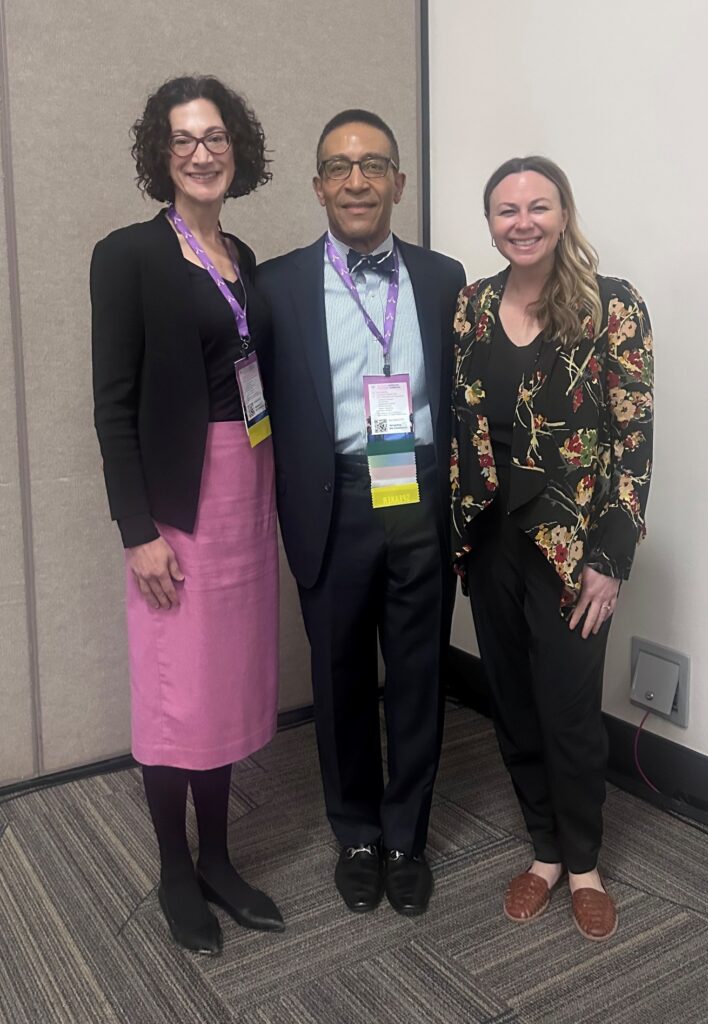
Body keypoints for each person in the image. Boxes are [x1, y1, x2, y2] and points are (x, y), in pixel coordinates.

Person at [91, 76, 284, 954]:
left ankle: (219, 860)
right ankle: (176, 868)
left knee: (225, 684)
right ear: (159, 154)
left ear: (236, 147)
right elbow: (113, 405)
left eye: (215, 137)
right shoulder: (128, 255)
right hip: (177, 502)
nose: (202, 154)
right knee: (177, 692)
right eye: (183, 140)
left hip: (247, 487)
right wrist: (137, 532)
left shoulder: (241, 253)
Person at [256, 110, 466, 916]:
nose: (356, 181)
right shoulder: (276, 285)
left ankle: (406, 835)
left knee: (417, 673)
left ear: (398, 183)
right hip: (332, 499)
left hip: (417, 490)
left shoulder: (444, 278)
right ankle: (356, 833)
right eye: (340, 167)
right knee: (339, 675)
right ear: (318, 186)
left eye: (373, 165)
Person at [451, 156, 653, 941]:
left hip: (572, 548)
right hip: (490, 535)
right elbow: (463, 424)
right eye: (507, 210)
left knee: (568, 708)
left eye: (539, 206)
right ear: (491, 223)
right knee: (512, 700)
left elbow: (633, 439)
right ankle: (543, 849)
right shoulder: (472, 305)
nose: (523, 222)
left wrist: (612, 557)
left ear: (564, 214)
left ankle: (584, 865)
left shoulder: (610, 306)